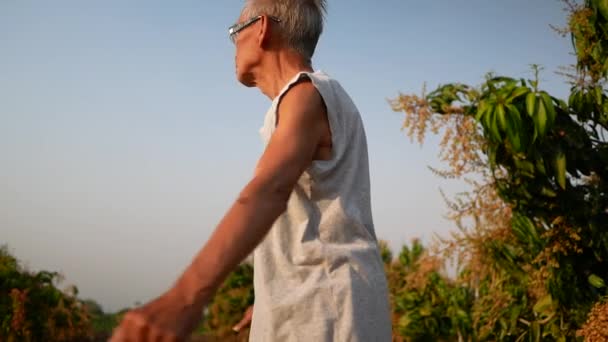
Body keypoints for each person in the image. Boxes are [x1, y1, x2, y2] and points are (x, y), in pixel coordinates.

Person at [110, 1, 391, 341]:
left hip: (325, 306)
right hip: (324, 299)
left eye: (234, 33)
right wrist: (272, 292)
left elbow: (268, 191)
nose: (232, 47)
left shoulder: (304, 94)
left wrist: (183, 299)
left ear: (261, 28)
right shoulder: (318, 96)